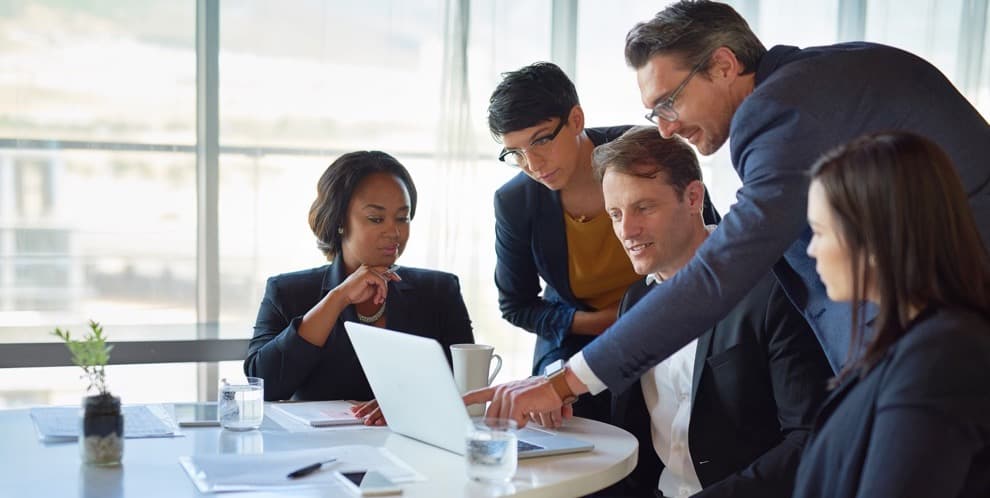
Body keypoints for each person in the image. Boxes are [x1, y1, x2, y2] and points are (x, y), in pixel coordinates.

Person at [464, 0, 990, 429]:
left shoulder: (779, 111)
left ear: (722, 64)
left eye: (669, 102)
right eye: (654, 113)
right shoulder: (825, 74)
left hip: (949, 338)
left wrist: (563, 382)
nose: (665, 128)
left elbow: (721, 271)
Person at [592, 127, 831, 498]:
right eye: (615, 213)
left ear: (692, 197)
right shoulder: (636, 299)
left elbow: (807, 440)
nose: (627, 230)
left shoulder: (769, 290)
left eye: (644, 207)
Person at [487, 62, 719, 422]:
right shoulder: (515, 201)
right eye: (514, 153)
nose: (532, 164)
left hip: (673, 316)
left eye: (542, 139)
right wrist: (603, 322)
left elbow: (704, 234)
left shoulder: (642, 155)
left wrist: (637, 320)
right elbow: (516, 304)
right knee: (561, 425)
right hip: (578, 339)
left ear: (576, 119)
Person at [794, 132, 990, 498]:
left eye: (820, 232)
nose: (811, 249)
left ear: (871, 238)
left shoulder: (940, 355)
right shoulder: (912, 343)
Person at [245, 151, 474, 424]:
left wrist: (410, 404)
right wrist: (338, 298)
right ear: (340, 221)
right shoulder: (288, 292)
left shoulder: (439, 291)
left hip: (414, 450)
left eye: (403, 218)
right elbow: (264, 385)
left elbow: (467, 388)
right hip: (318, 453)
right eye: (376, 219)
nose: (394, 232)